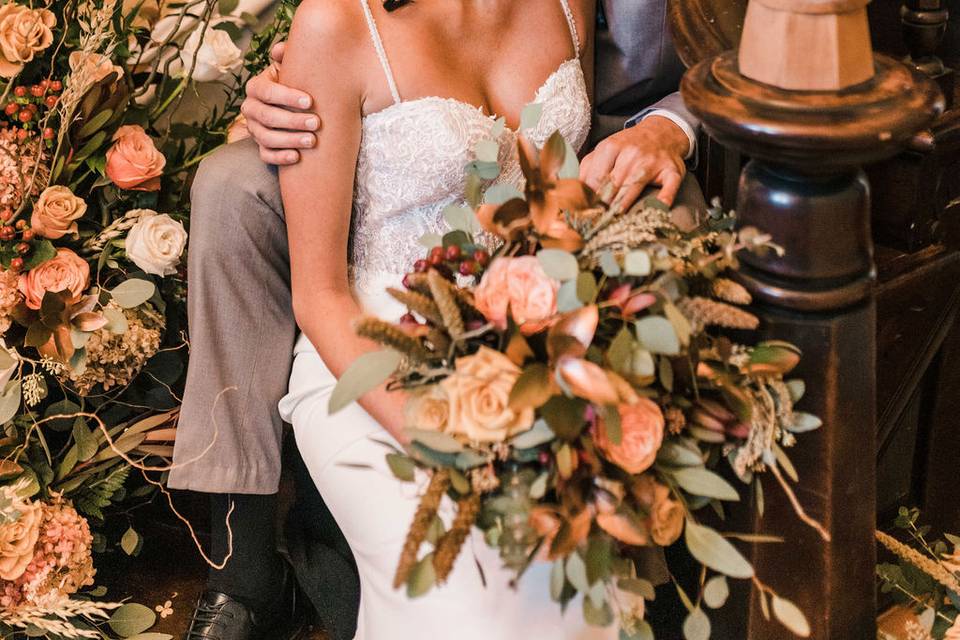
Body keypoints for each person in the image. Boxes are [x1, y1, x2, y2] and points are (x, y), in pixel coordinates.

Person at [170, 1, 703, 639]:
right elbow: (320, 298)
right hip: (372, 354)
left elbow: (555, 209)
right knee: (461, 604)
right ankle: (253, 573)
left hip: (521, 342)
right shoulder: (335, 21)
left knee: (560, 588)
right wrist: (441, 438)